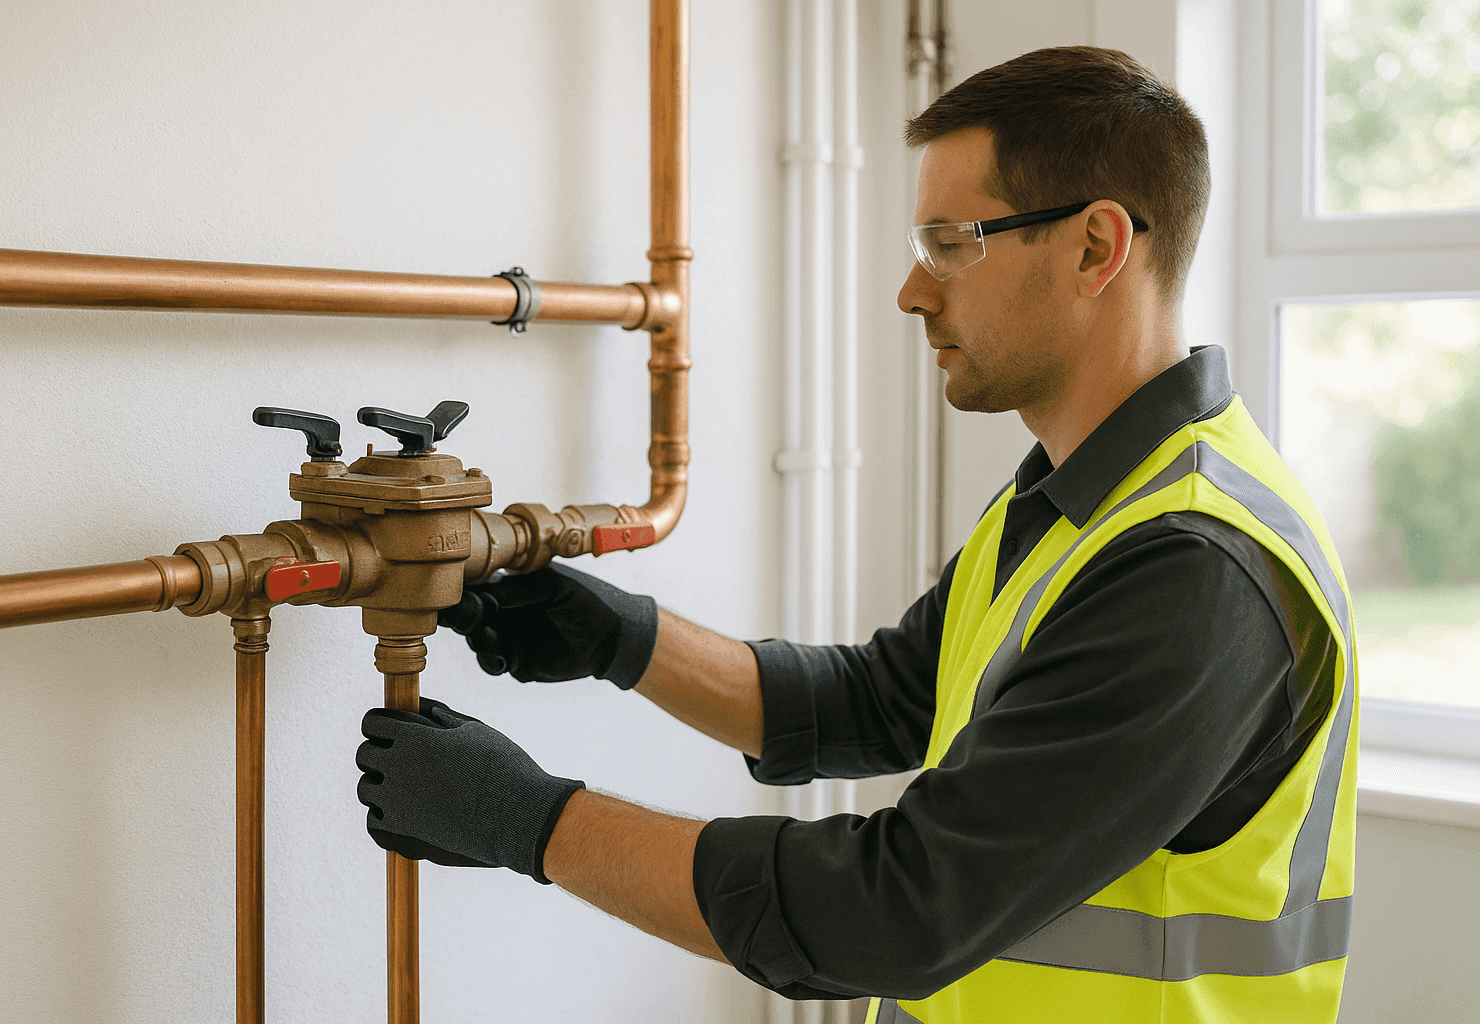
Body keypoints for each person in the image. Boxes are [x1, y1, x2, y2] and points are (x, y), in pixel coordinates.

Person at [355, 46, 1358, 1024]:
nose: (913, 291)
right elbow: (882, 700)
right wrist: (618, 637)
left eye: (950, 244)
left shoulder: (1193, 568)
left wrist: (526, 818)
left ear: (1096, 247)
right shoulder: (1076, 501)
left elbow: (896, 911)